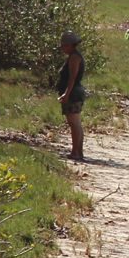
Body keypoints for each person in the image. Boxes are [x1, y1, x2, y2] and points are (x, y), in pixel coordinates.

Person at [56, 31, 86, 162]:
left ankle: (76, 152)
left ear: (69, 45)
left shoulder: (74, 57)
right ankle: (78, 152)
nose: (62, 48)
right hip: (74, 92)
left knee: (74, 123)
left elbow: (72, 78)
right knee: (76, 123)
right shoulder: (73, 56)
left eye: (63, 45)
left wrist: (66, 94)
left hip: (73, 93)